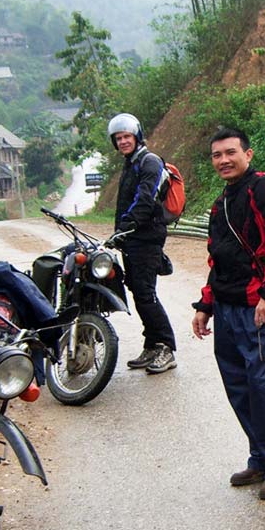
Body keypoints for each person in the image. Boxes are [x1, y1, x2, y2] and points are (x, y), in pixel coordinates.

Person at [192, 127, 265, 501]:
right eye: (216, 155)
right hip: (226, 309)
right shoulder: (219, 202)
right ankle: (261, 458)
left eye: (230, 152)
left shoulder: (264, 190)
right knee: (239, 387)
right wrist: (205, 306)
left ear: (248, 154)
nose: (223, 160)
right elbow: (217, 260)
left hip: (258, 309)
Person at [108, 113, 177, 374]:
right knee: (139, 292)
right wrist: (121, 232)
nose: (123, 141)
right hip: (133, 238)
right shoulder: (131, 163)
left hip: (146, 237)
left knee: (146, 294)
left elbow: (145, 200)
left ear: (137, 136)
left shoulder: (149, 162)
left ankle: (167, 348)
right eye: (118, 138)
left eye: (126, 136)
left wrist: (125, 228)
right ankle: (151, 344)